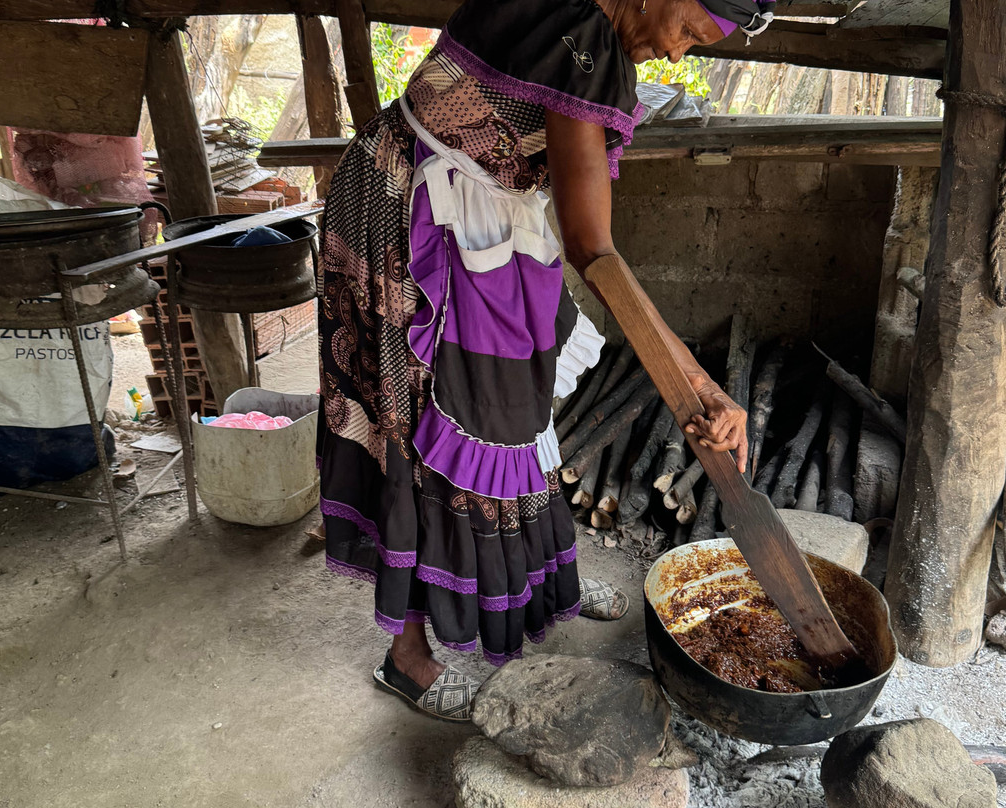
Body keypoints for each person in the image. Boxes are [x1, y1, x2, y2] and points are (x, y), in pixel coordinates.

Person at [317, 0, 766, 722]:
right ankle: (408, 658)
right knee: (409, 420)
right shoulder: (581, 38)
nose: (679, 56)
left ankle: (534, 580)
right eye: (688, 31)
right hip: (409, 216)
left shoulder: (590, 35)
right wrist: (698, 388)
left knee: (516, 411)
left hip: (486, 211)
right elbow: (595, 251)